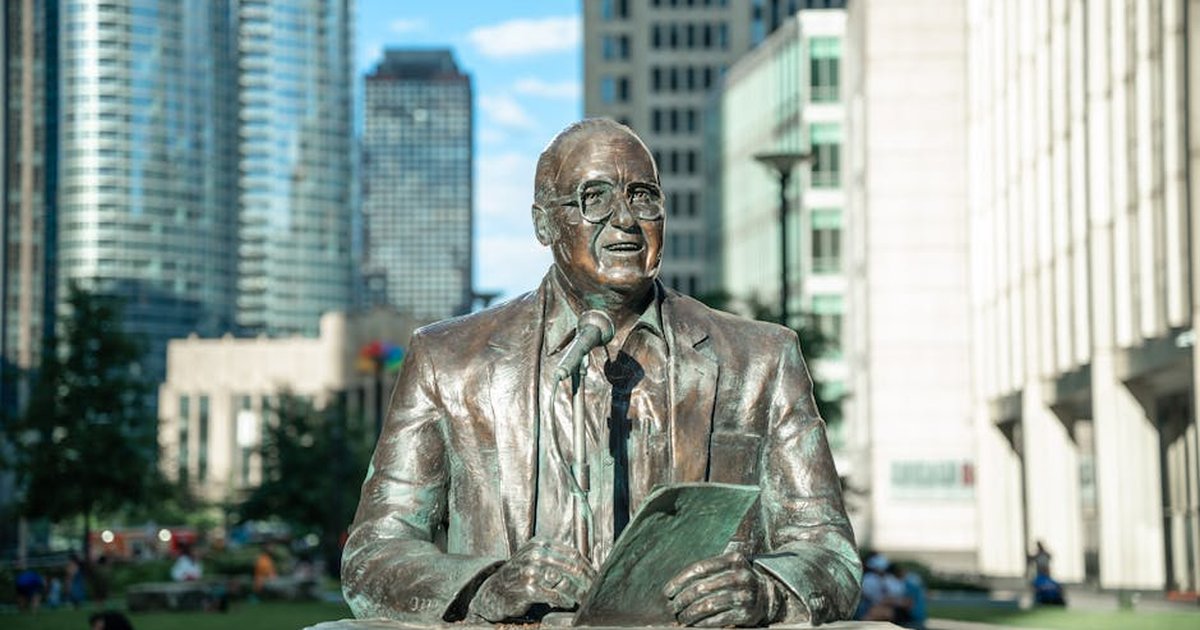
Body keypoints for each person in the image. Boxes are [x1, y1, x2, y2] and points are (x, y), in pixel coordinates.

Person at [342, 119, 860, 627]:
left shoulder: (760, 359)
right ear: (544, 224)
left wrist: (767, 592)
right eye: (594, 197)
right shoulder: (449, 359)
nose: (625, 220)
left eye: (642, 196)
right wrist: (487, 585)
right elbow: (374, 554)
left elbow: (827, 551)